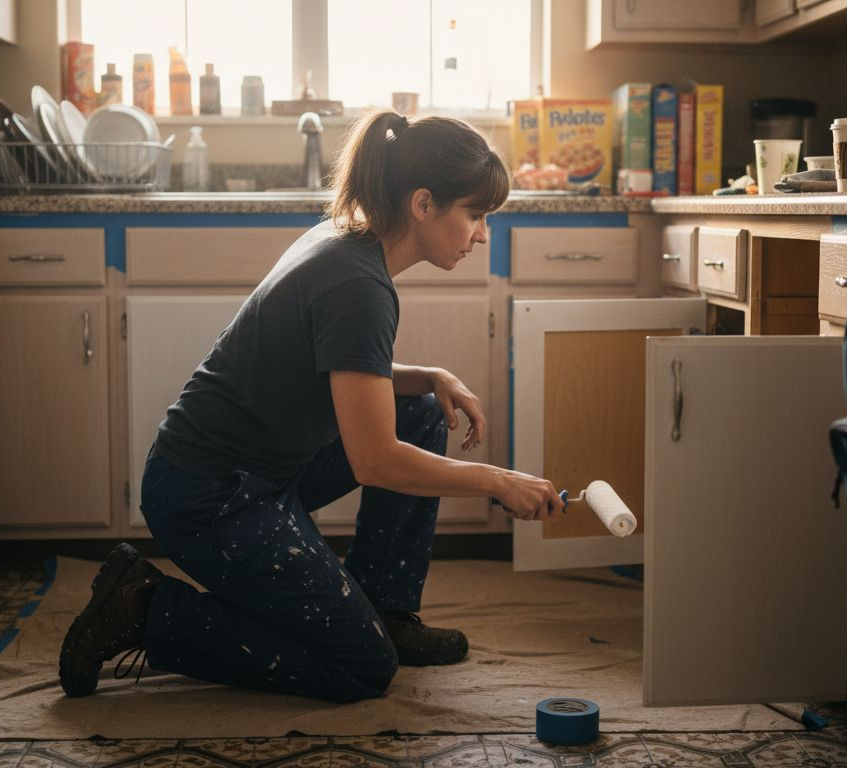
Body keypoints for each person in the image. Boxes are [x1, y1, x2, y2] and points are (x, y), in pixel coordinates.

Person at [59, 110, 564, 702]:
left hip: (257, 473)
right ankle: (144, 608)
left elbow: (334, 370)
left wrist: (426, 375)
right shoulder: (358, 286)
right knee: (362, 667)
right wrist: (498, 481)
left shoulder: (346, 240)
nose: (482, 235)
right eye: (475, 215)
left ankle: (386, 613)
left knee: (421, 410)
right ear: (423, 204)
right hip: (208, 498)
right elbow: (375, 461)